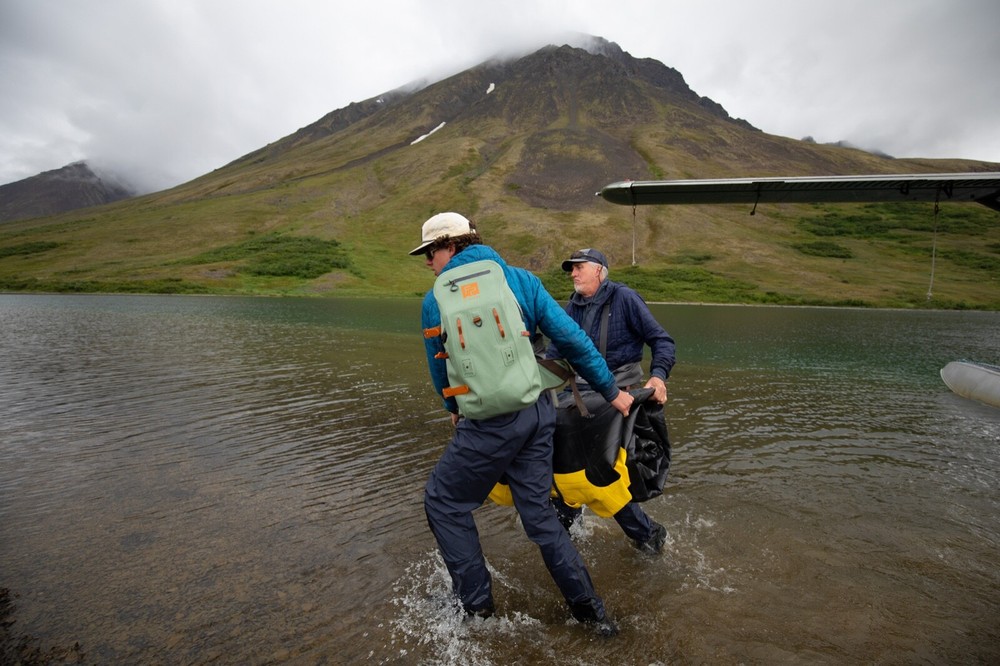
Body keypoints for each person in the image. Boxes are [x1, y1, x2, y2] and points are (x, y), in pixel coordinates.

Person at [411, 212, 633, 635]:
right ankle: (591, 613)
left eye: (430, 252)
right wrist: (612, 391)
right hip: (537, 413)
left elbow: (440, 372)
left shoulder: (435, 299)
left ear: (451, 246)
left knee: (443, 500)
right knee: (542, 519)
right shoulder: (522, 281)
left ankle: (476, 611)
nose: (427, 262)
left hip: (488, 424)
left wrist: (453, 410)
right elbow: (572, 340)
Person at [547, 248, 676, 554]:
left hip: (618, 397)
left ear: (600, 270)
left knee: (602, 472)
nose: (573, 273)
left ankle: (649, 535)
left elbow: (662, 341)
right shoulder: (571, 307)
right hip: (576, 395)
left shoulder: (625, 298)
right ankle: (569, 531)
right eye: (571, 269)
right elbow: (554, 355)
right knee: (560, 463)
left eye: (579, 267)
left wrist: (657, 378)